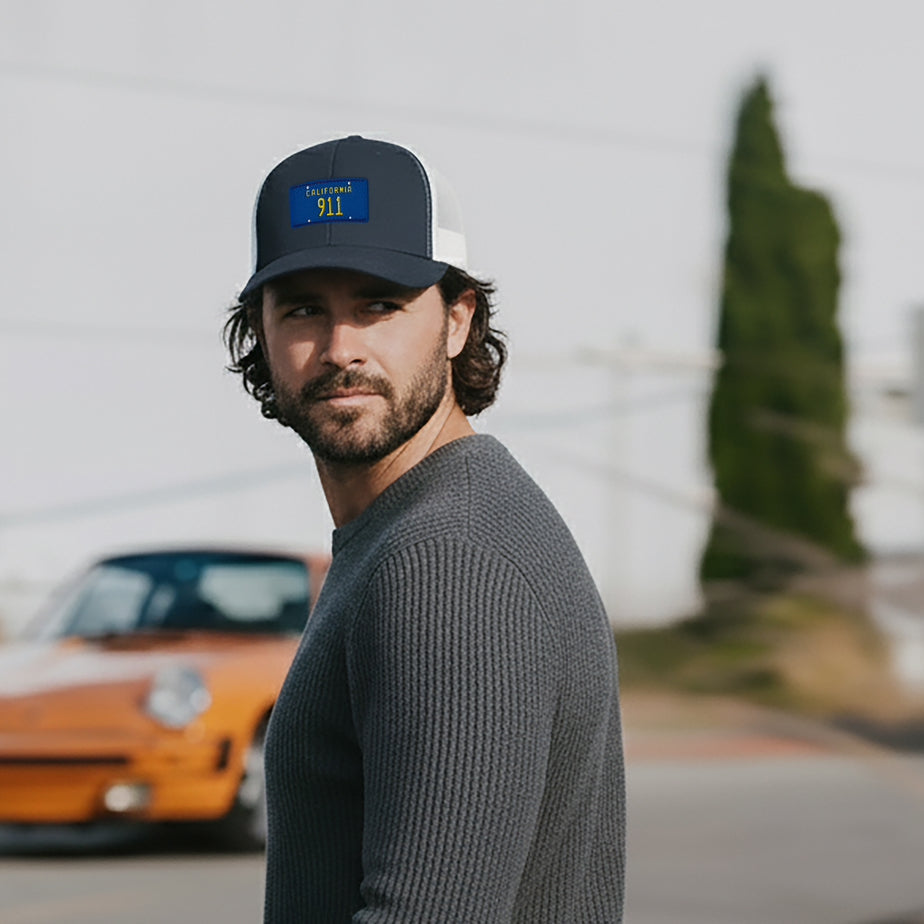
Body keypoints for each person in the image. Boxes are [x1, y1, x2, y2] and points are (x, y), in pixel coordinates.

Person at [224, 135, 626, 922]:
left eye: (380, 305)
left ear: (456, 320)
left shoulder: (447, 559)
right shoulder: (411, 530)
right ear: (262, 334)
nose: (342, 349)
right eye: (305, 308)